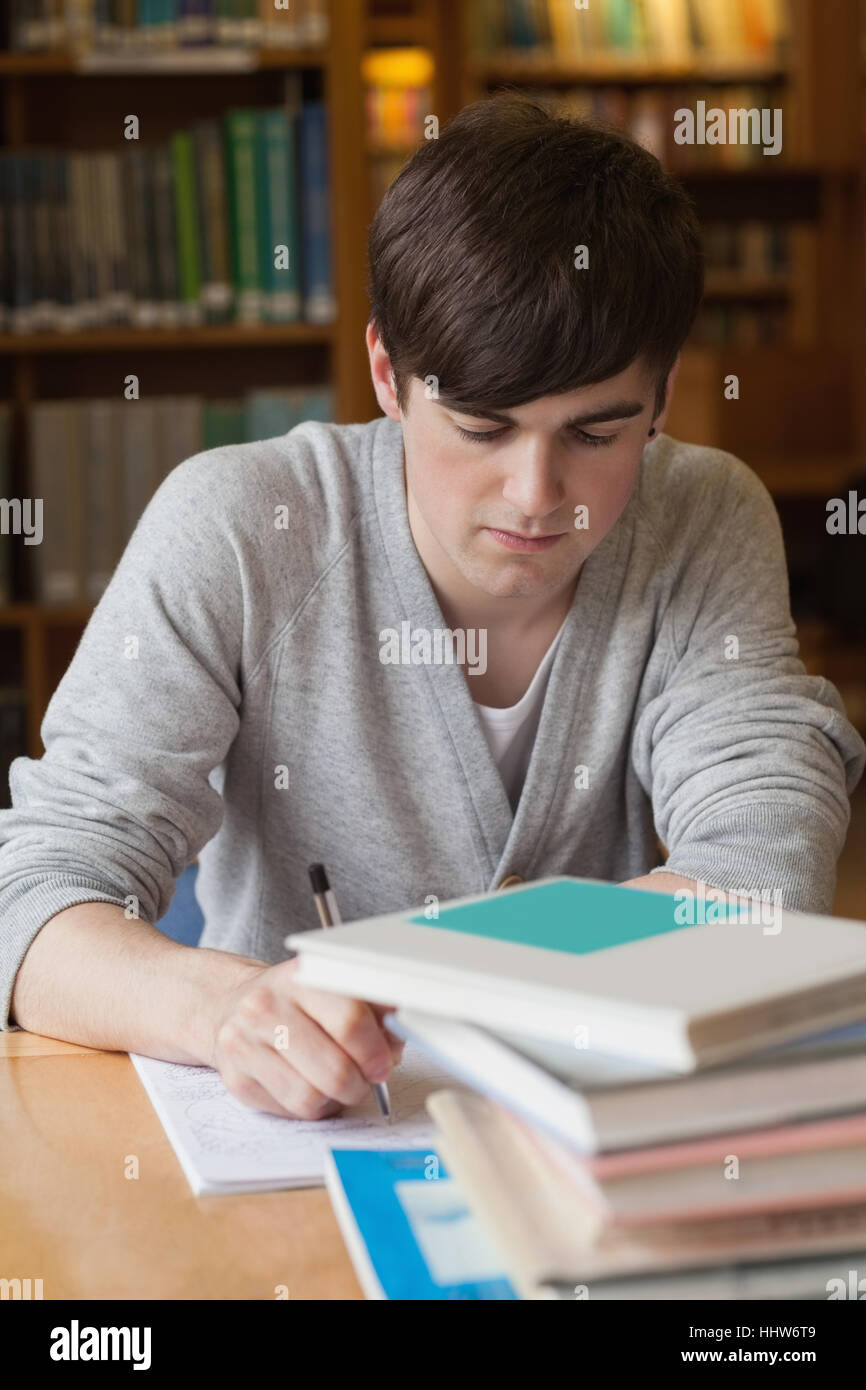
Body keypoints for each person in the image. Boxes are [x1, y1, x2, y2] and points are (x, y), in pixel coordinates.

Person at [2, 94, 863, 1121]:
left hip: (591, 1150)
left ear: (664, 394)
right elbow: (35, 897)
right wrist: (227, 1006)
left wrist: (427, 976)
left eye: (596, 433)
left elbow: (763, 874)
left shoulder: (702, 516)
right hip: (299, 1157)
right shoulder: (238, 526)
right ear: (387, 375)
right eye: (480, 427)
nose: (535, 495)